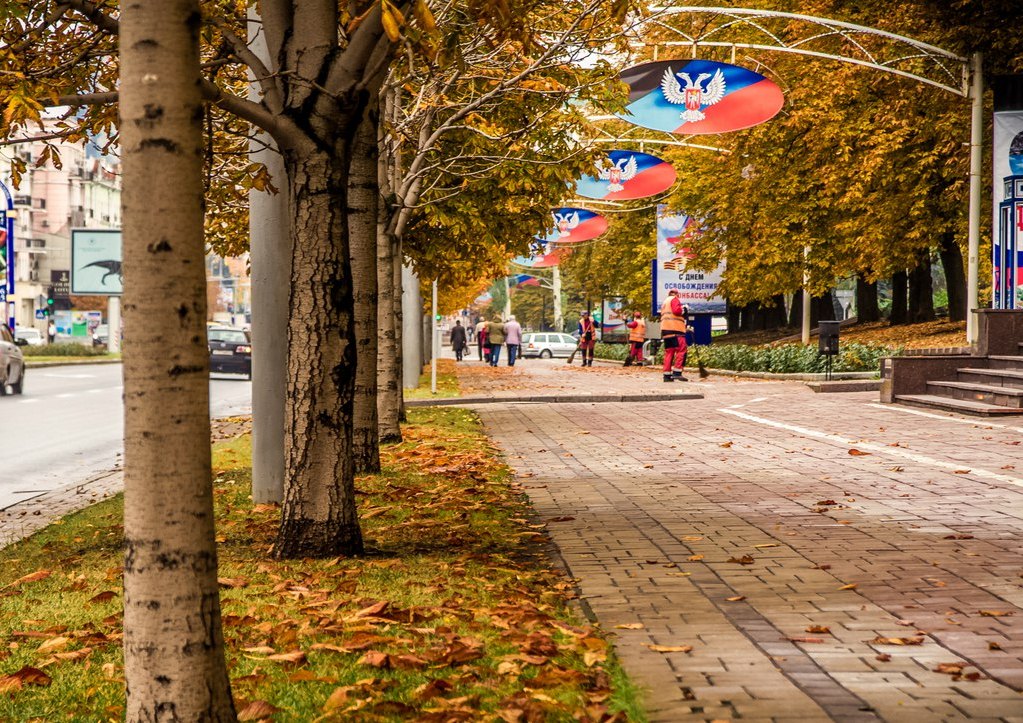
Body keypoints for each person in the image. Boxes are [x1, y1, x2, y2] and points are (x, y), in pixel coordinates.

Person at [659, 290, 688, 382]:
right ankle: (677, 373)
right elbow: (677, 311)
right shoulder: (674, 299)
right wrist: (684, 309)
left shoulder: (665, 302)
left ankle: (666, 376)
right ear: (676, 294)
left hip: (666, 330)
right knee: (681, 350)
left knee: (669, 352)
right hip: (676, 330)